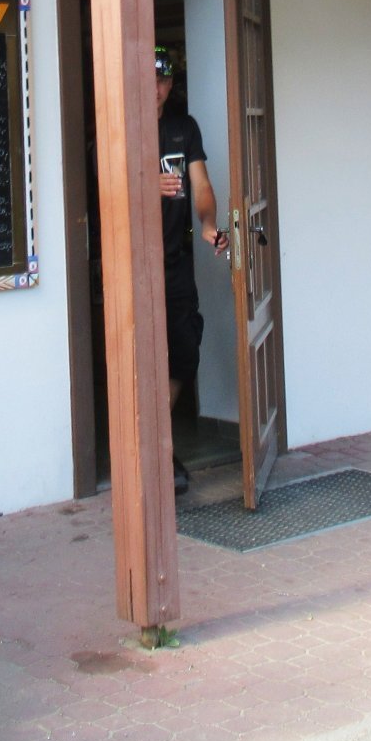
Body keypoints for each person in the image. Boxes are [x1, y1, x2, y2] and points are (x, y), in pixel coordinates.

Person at [155, 46, 226, 495]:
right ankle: (155, 452)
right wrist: (146, 181)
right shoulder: (117, 123)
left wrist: (208, 224)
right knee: (140, 357)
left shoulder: (184, 127)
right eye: (149, 78)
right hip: (130, 263)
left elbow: (201, 184)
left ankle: (159, 445)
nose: (156, 86)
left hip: (174, 260)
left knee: (184, 348)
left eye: (163, 78)